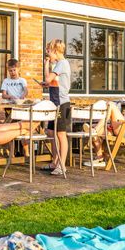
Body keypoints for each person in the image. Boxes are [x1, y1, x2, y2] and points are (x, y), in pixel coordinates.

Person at [40, 39, 71, 176]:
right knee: (51, 132)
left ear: (55, 51)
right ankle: (54, 162)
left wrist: (46, 64)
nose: (48, 54)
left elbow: (48, 78)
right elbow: (51, 82)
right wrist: (46, 83)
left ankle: (62, 165)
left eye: (49, 52)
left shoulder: (62, 63)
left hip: (62, 104)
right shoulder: (59, 65)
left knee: (61, 134)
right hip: (55, 104)